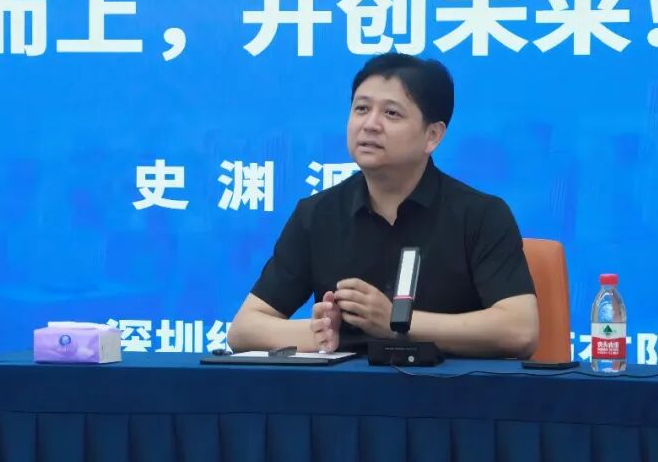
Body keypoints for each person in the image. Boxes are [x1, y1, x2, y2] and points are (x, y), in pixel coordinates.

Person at [227, 53, 539, 358]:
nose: (370, 124)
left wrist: (397, 323)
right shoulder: (316, 214)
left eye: (391, 113)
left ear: (432, 136)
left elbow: (520, 330)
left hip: (454, 390)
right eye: (361, 108)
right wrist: (319, 332)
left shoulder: (482, 215)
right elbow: (243, 331)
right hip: (345, 392)